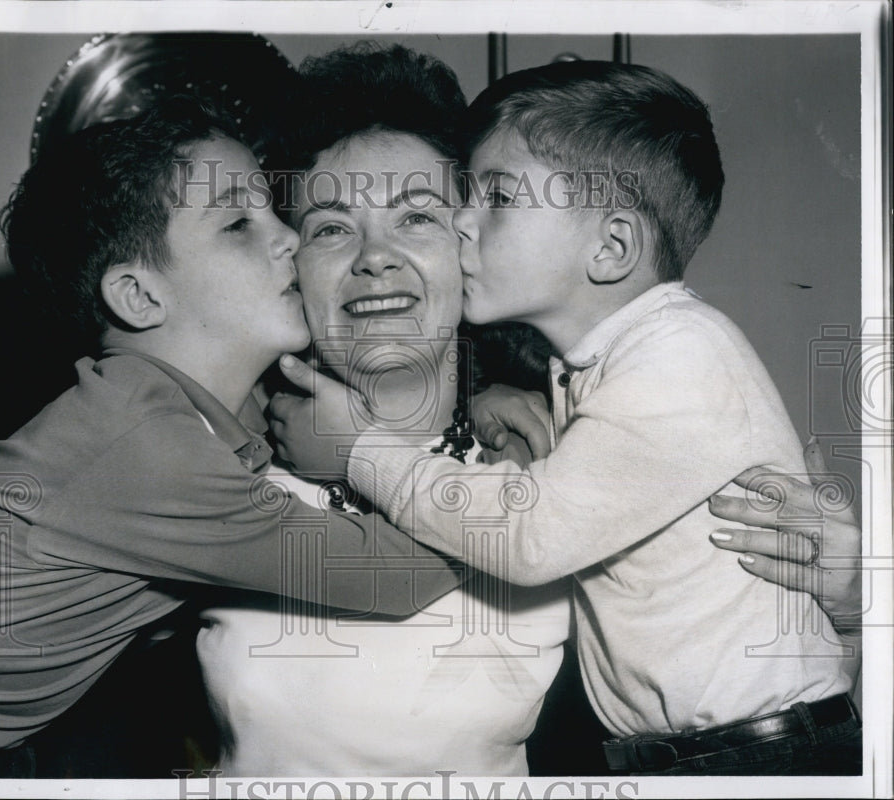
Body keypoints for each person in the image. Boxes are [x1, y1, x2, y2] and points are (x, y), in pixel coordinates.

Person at [276, 60, 861, 775]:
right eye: (331, 227)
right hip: (680, 758)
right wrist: (481, 398)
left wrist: (359, 447)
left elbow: (530, 535)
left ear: (611, 248)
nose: (463, 221)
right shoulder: (582, 376)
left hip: (749, 755)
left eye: (490, 199)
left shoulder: (677, 354)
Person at [0, 96, 463, 778]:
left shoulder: (194, 408)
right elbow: (398, 576)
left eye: (269, 208)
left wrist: (487, 399)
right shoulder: (147, 446)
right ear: (139, 299)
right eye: (238, 223)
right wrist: (522, 469)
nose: (286, 235)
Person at [195, 43, 572, 777]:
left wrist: (846, 612)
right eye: (332, 228)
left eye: (416, 219)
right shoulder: (218, 461)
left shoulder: (559, 455)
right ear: (289, 263)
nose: (374, 257)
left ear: (472, 250)